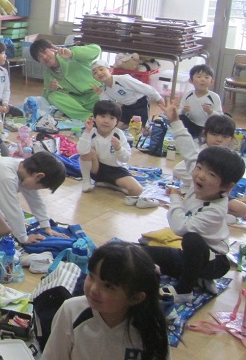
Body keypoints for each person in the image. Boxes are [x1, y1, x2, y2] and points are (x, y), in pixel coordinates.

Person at [35, 241, 174, 360]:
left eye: (108, 286)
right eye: (91, 276)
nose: (94, 289)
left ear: (135, 298)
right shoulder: (71, 311)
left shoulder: (150, 329)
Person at [143, 99, 245, 302]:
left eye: (211, 175)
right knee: (138, 254)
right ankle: (197, 277)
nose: (200, 175)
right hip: (191, 256)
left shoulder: (215, 210)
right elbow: (189, 150)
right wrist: (175, 121)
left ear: (226, 187)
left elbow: (180, 227)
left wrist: (175, 197)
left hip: (214, 262)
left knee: (192, 239)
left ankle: (185, 290)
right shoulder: (197, 178)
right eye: (199, 168)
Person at [0, 151, 68, 245]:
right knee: (4, 232)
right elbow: (12, 208)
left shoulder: (24, 169)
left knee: (9, 222)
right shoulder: (7, 176)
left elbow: (36, 200)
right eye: (39, 187)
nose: (36, 190)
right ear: (39, 176)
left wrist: (46, 226)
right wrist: (24, 238)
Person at [77, 100, 157, 207]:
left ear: (117, 122)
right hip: (96, 168)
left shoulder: (119, 134)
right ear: (94, 118)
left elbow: (126, 158)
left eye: (112, 118)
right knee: (88, 151)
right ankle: (87, 181)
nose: (106, 121)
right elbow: (81, 151)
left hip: (115, 170)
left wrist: (119, 148)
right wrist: (87, 132)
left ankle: (111, 184)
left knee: (137, 190)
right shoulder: (90, 131)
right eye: (102, 116)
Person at [171, 113, 246, 222]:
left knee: (241, 209)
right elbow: (179, 168)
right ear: (205, 133)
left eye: (225, 136)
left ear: (231, 138)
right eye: (214, 134)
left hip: (217, 196)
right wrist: (196, 181)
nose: (219, 140)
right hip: (198, 194)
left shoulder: (229, 157)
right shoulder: (203, 154)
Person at [29, 38, 101, 120]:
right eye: (40, 57)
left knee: (106, 100)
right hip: (78, 100)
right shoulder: (48, 74)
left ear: (52, 48)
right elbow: (45, 98)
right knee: (53, 96)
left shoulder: (70, 53)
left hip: (95, 94)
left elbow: (97, 49)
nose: (44, 57)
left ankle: (87, 113)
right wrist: (51, 90)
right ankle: (89, 117)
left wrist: (72, 54)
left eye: (45, 52)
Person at [91, 60, 165, 129]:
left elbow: (143, 87)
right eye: (95, 73)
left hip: (140, 104)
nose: (99, 73)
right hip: (126, 106)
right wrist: (101, 93)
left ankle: (148, 128)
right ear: (94, 78)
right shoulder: (105, 89)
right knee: (117, 126)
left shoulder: (122, 79)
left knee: (138, 129)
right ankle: (130, 124)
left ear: (110, 70)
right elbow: (110, 103)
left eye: (101, 69)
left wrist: (158, 97)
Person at [178, 64, 223, 139]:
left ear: (211, 82)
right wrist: (183, 110)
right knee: (180, 118)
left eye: (206, 77)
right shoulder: (187, 95)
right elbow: (178, 112)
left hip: (207, 127)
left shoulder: (214, 97)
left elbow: (220, 116)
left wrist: (211, 112)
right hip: (191, 125)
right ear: (191, 80)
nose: (202, 80)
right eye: (199, 77)